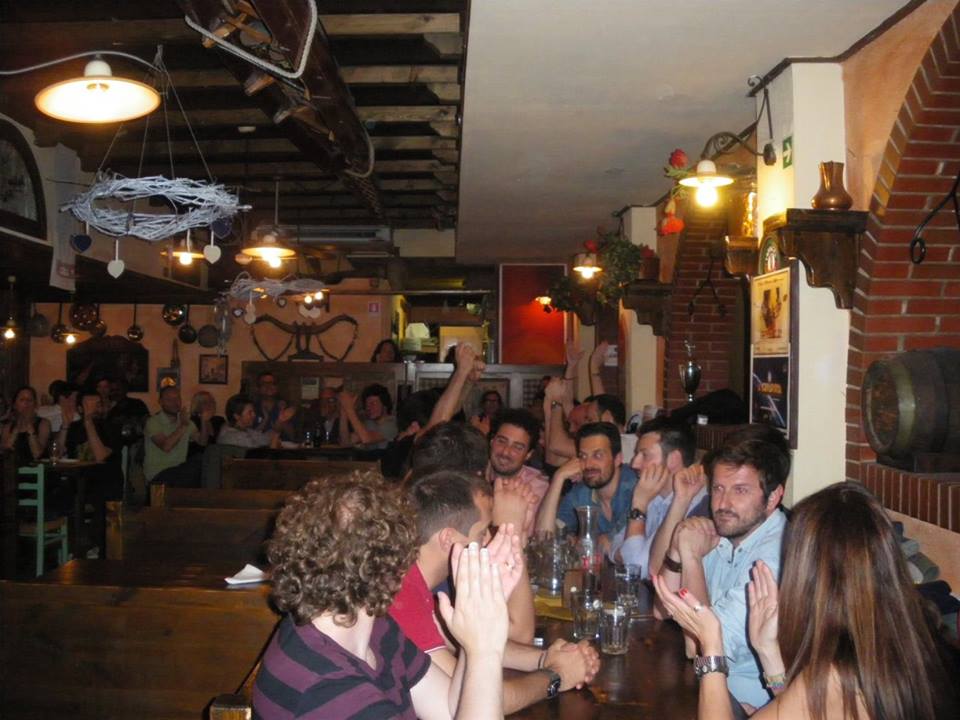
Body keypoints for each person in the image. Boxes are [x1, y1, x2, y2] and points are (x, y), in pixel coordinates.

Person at [654, 482, 960, 720]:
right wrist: (769, 653)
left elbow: (820, 698)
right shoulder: (920, 629)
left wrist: (712, 649)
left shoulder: (836, 673)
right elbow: (813, 709)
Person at [252, 470, 520, 720]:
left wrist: (479, 616)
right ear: (391, 567)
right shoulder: (327, 688)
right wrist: (485, 651)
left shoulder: (375, 629)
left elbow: (449, 710)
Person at [389, 468, 600, 712]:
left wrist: (546, 658)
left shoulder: (412, 582)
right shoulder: (401, 596)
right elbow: (472, 703)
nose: (489, 541)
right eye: (482, 533)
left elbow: (471, 641)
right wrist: (557, 675)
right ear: (448, 539)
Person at [658, 424, 790, 710]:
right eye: (718, 488)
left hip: (747, 706)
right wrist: (676, 551)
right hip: (704, 688)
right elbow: (662, 610)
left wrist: (691, 557)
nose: (723, 503)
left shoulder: (773, 558)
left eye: (740, 490)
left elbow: (700, 647)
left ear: (773, 497)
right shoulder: (731, 531)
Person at [614, 419, 707, 575]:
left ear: (674, 459)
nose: (634, 464)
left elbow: (638, 569)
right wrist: (621, 553)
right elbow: (614, 542)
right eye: (636, 454)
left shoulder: (696, 506)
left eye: (645, 455)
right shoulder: (655, 495)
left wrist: (639, 507)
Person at [535, 422, 638, 557]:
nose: (588, 464)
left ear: (617, 459)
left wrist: (597, 541)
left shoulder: (636, 487)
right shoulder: (580, 493)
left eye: (598, 455)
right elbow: (543, 540)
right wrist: (558, 478)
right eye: (583, 456)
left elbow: (628, 547)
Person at [486, 408, 550, 522]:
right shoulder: (473, 473)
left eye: (517, 447)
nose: (505, 452)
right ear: (492, 441)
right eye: (501, 441)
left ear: (528, 455)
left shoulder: (535, 487)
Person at [144, 387, 205, 487]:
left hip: (179, 472)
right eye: (169, 399)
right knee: (196, 465)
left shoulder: (186, 421)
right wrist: (183, 425)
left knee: (204, 461)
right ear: (161, 402)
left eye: (177, 398)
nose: (175, 402)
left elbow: (202, 442)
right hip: (158, 475)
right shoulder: (153, 422)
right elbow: (166, 447)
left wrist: (204, 419)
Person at [217, 394, 295, 449]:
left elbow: (264, 438)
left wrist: (280, 421)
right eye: (250, 412)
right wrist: (277, 432)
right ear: (237, 416)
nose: (254, 415)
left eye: (253, 411)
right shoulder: (233, 436)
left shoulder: (244, 430)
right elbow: (262, 458)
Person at [338, 383, 398, 450]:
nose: (368, 408)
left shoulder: (392, 425)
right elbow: (345, 443)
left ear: (385, 405)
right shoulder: (369, 423)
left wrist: (349, 409)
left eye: (373, 403)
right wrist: (344, 411)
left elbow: (366, 439)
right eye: (367, 405)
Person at [1, 385, 51, 465]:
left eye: (30, 400)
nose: (26, 403)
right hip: (13, 470)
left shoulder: (43, 423)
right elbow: (5, 451)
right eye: (22, 400)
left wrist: (30, 427)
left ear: (35, 404)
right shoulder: (8, 426)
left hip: (37, 469)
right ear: (15, 405)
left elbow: (37, 454)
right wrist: (16, 429)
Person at [252, 371, 291, 437]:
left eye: (272, 383)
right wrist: (264, 421)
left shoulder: (285, 406)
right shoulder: (252, 408)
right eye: (264, 383)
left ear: (277, 387)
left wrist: (282, 421)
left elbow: (293, 436)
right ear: (258, 388)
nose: (269, 386)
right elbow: (247, 435)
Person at [188, 390, 224, 456]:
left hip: (214, 456)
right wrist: (203, 420)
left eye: (212, 401)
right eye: (205, 402)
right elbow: (202, 444)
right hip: (197, 457)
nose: (210, 404)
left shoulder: (218, 420)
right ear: (197, 406)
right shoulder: (192, 421)